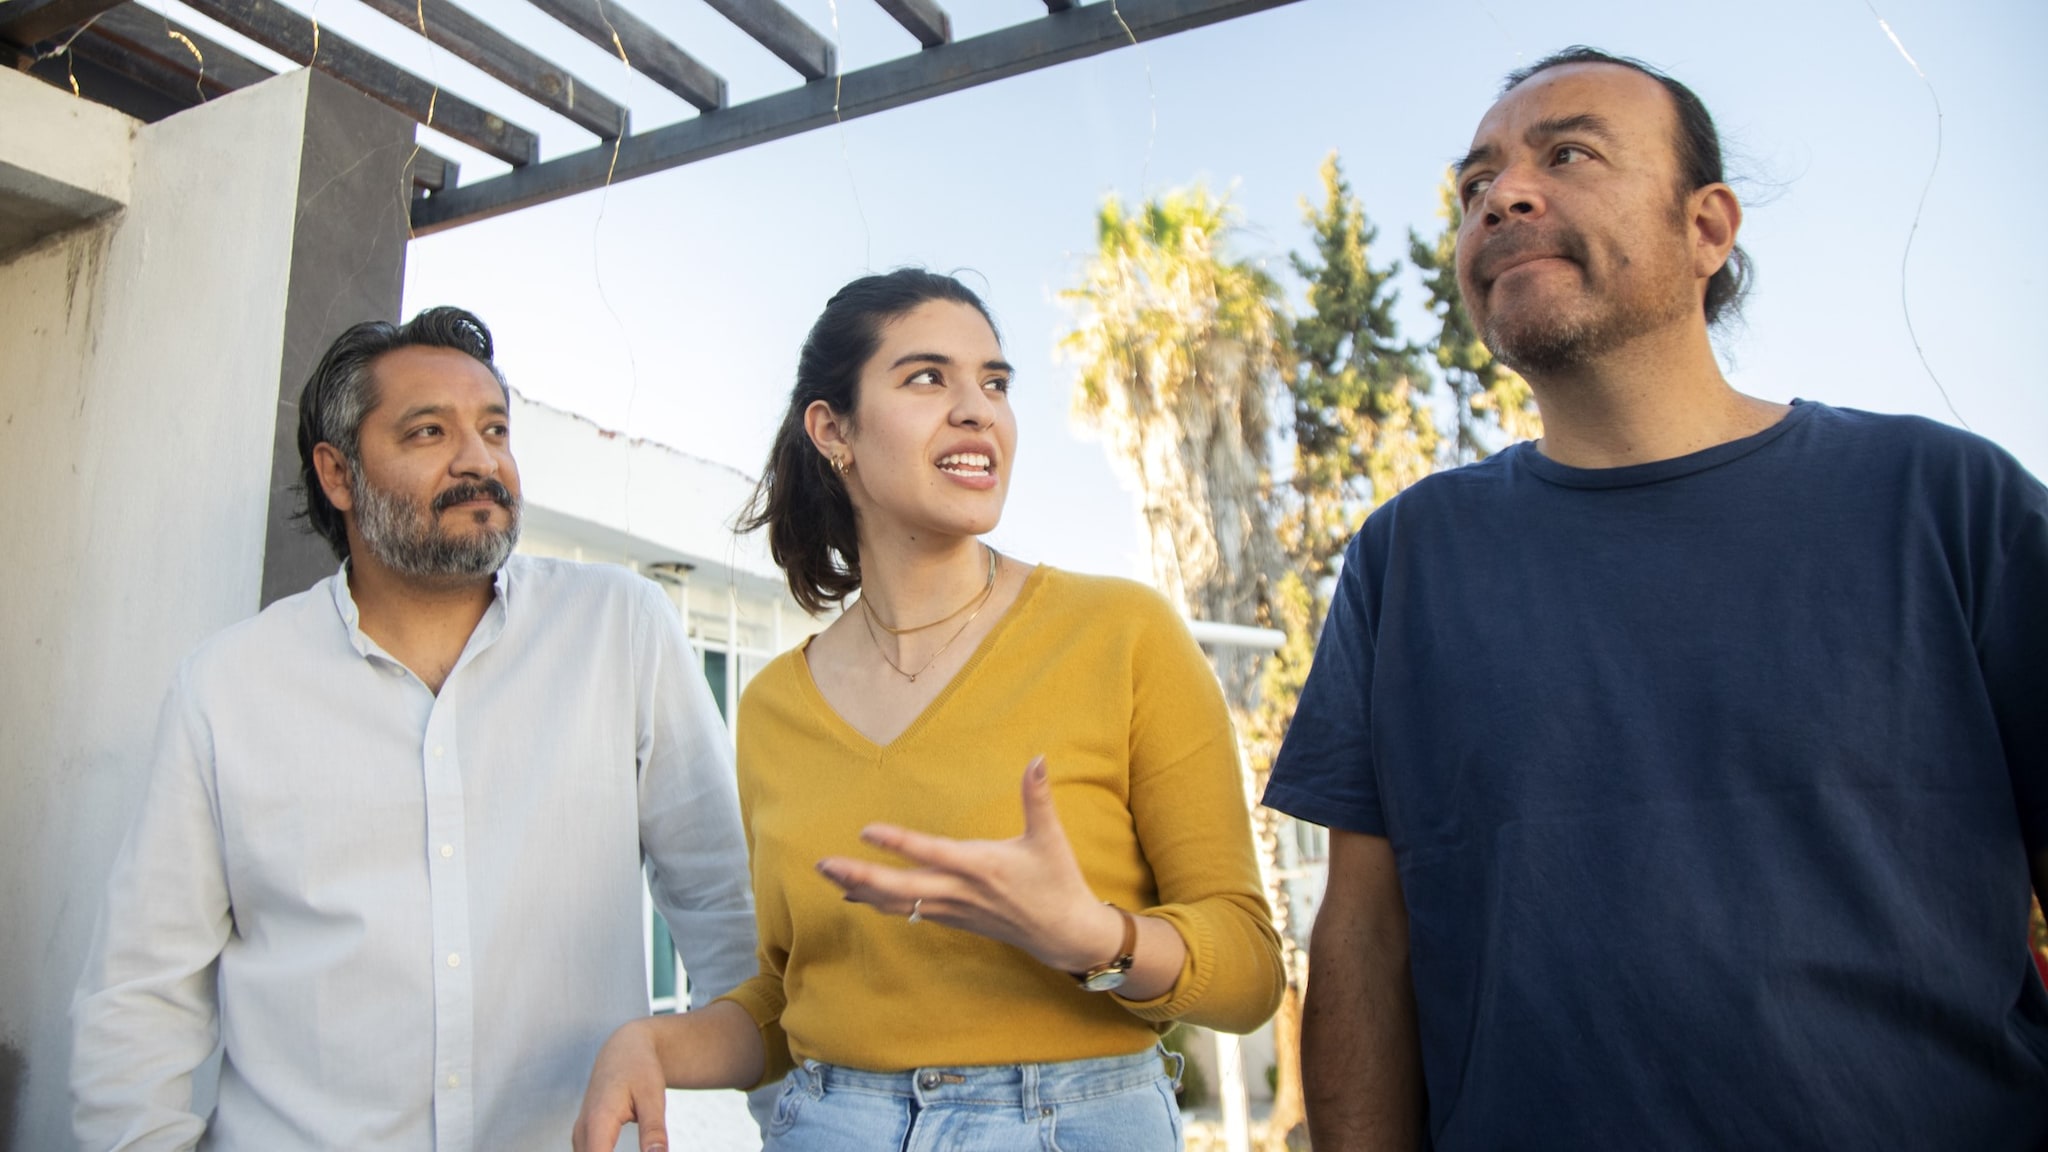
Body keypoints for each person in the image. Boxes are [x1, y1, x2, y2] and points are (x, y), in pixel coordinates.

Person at [1264, 46, 2048, 1150]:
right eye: (1472, 184)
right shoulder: (1407, 558)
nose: (1503, 195)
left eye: (1568, 153)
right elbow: (1363, 937)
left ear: (1708, 229)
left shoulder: (1944, 502)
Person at [573, 269, 1285, 1152]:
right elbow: (789, 1002)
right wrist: (649, 1041)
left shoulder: (1123, 634)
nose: (977, 409)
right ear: (833, 430)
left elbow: (1250, 970)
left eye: (994, 382)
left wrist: (1092, 938)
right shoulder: (772, 709)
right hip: (828, 1125)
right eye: (926, 378)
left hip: (1077, 1125)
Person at [71, 307, 757, 1151]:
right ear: (337, 474)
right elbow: (141, 993)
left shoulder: (619, 628)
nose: (480, 460)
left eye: (495, 428)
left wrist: (788, 1128)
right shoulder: (227, 688)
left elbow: (727, 912)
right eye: (429, 432)